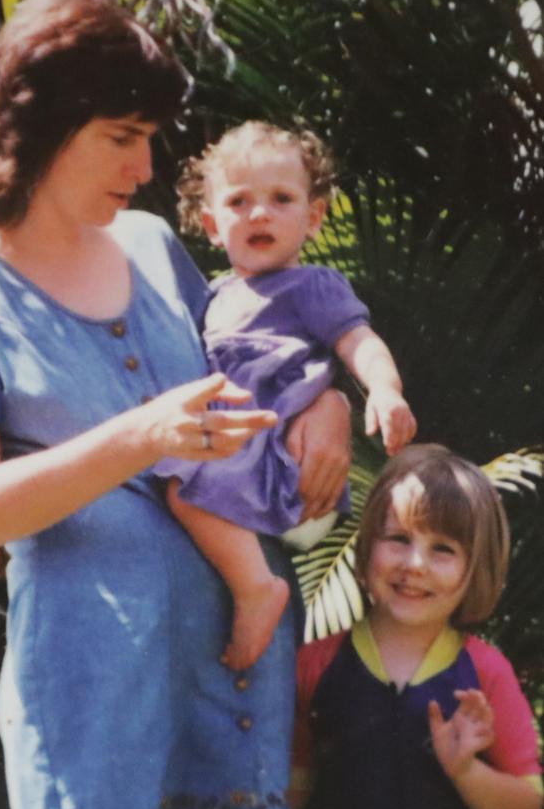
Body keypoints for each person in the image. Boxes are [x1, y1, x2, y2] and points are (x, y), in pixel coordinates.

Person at [0, 0, 357, 809]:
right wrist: (140, 435)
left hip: (236, 691)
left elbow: (261, 349)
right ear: (39, 127)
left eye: (148, 138)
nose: (145, 169)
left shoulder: (148, 244)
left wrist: (329, 403)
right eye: (122, 138)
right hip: (93, 705)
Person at [155, 122, 417, 670]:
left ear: (314, 217)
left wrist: (385, 390)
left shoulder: (312, 285)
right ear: (210, 224)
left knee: (181, 486)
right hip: (237, 439)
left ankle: (256, 589)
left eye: (281, 199)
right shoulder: (213, 297)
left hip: (272, 445)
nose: (259, 214)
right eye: (239, 201)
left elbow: (359, 341)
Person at [293, 444, 543, 809]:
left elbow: (528, 803)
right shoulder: (315, 664)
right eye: (399, 539)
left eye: (442, 549)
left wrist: (466, 771)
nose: (415, 564)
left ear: (476, 568)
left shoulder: (487, 674)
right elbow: (287, 787)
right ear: (366, 546)